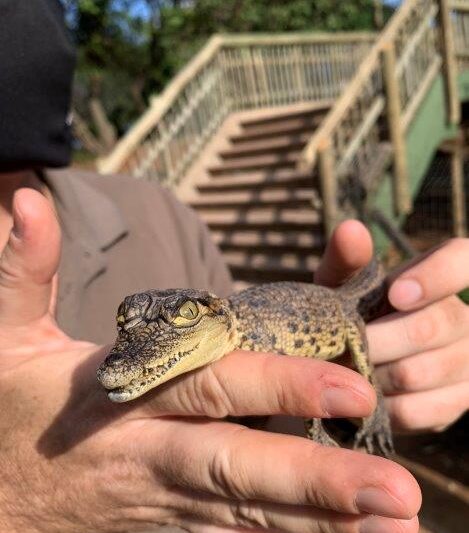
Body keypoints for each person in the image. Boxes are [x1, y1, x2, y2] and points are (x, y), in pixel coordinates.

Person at [0, 1, 467, 532]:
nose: (128, 353)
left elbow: (286, 393)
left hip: (330, 314)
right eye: (132, 322)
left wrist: (372, 400)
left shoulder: (160, 214)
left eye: (179, 319)